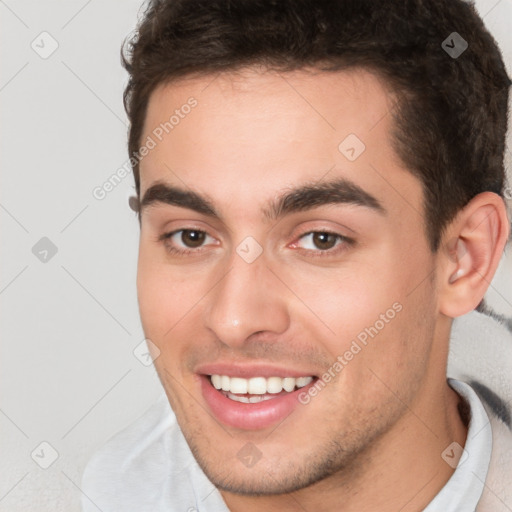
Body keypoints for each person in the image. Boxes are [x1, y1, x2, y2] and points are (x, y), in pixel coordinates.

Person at [81, 0, 512, 510]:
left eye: (320, 239)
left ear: (465, 258)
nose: (234, 319)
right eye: (191, 236)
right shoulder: (114, 490)